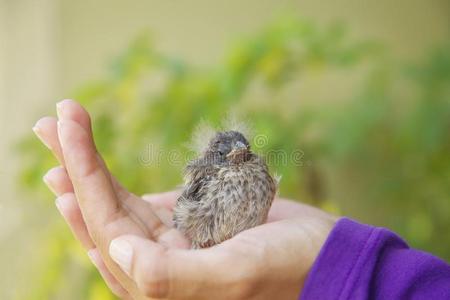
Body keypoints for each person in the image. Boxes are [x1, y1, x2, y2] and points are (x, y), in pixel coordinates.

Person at [33, 99, 450, 299]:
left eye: (244, 154)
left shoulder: (261, 176)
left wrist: (330, 262)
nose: (239, 160)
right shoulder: (206, 177)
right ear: (217, 158)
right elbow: (187, 212)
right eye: (229, 156)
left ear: (249, 153)